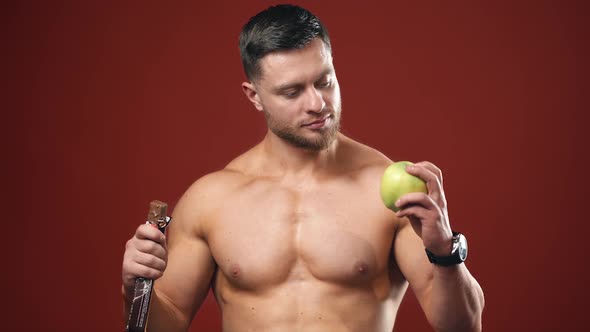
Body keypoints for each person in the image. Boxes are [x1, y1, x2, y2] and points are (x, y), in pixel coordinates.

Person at [121, 4, 484, 332]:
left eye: (324, 81)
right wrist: (135, 288)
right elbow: (160, 327)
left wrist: (445, 252)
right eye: (292, 92)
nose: (317, 103)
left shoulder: (388, 189)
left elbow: (463, 327)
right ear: (254, 96)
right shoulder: (212, 199)